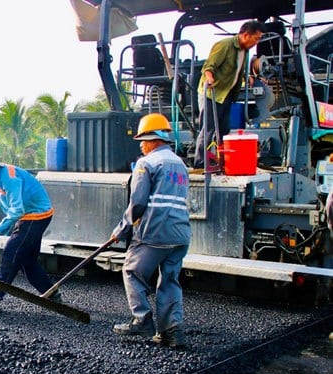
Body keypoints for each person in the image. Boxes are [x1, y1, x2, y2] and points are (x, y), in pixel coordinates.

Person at [110, 113, 191, 348]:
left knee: (132, 270)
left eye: (143, 141)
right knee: (169, 281)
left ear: (153, 138)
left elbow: (137, 203)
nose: (142, 146)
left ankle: (142, 319)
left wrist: (122, 229)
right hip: (180, 234)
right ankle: (172, 333)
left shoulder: (147, 164)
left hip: (155, 232)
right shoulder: (180, 164)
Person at [0, 143, 58, 313]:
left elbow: (17, 210)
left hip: (35, 215)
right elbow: (11, 211)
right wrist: (3, 230)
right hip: (29, 216)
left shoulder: (9, 177)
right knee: (27, 260)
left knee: (10, 255)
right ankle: (51, 293)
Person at [194, 20, 265, 169]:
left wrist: (248, 78)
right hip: (212, 93)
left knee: (224, 129)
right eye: (256, 38)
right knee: (208, 128)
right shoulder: (225, 45)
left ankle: (221, 160)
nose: (257, 42)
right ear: (246, 35)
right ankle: (200, 162)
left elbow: (237, 70)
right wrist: (210, 77)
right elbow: (209, 66)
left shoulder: (244, 52)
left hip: (226, 95)